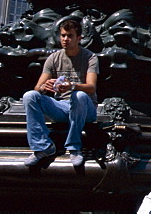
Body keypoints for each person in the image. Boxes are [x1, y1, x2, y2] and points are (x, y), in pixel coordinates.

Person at [22, 18, 98, 168]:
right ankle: (42, 147)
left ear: (79, 38)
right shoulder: (53, 58)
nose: (65, 39)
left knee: (79, 95)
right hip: (61, 107)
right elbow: (37, 87)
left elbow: (91, 88)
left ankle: (74, 147)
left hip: (85, 108)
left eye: (70, 36)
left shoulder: (90, 57)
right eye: (63, 35)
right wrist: (45, 87)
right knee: (30, 96)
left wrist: (72, 86)